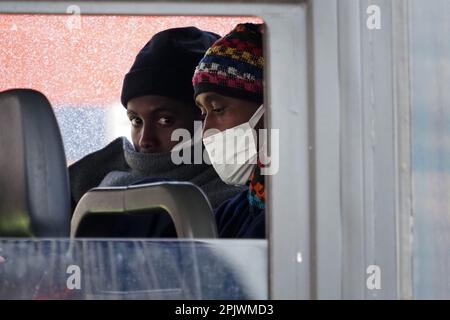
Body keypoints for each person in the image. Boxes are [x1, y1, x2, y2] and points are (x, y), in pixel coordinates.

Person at [69, 27, 245, 235]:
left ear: (206, 119)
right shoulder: (84, 186)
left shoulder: (238, 206)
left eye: (165, 120)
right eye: (136, 121)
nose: (145, 140)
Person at [193, 23, 266, 239]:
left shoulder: (306, 211)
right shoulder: (236, 212)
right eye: (204, 113)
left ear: (271, 107)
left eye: (218, 109)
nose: (206, 130)